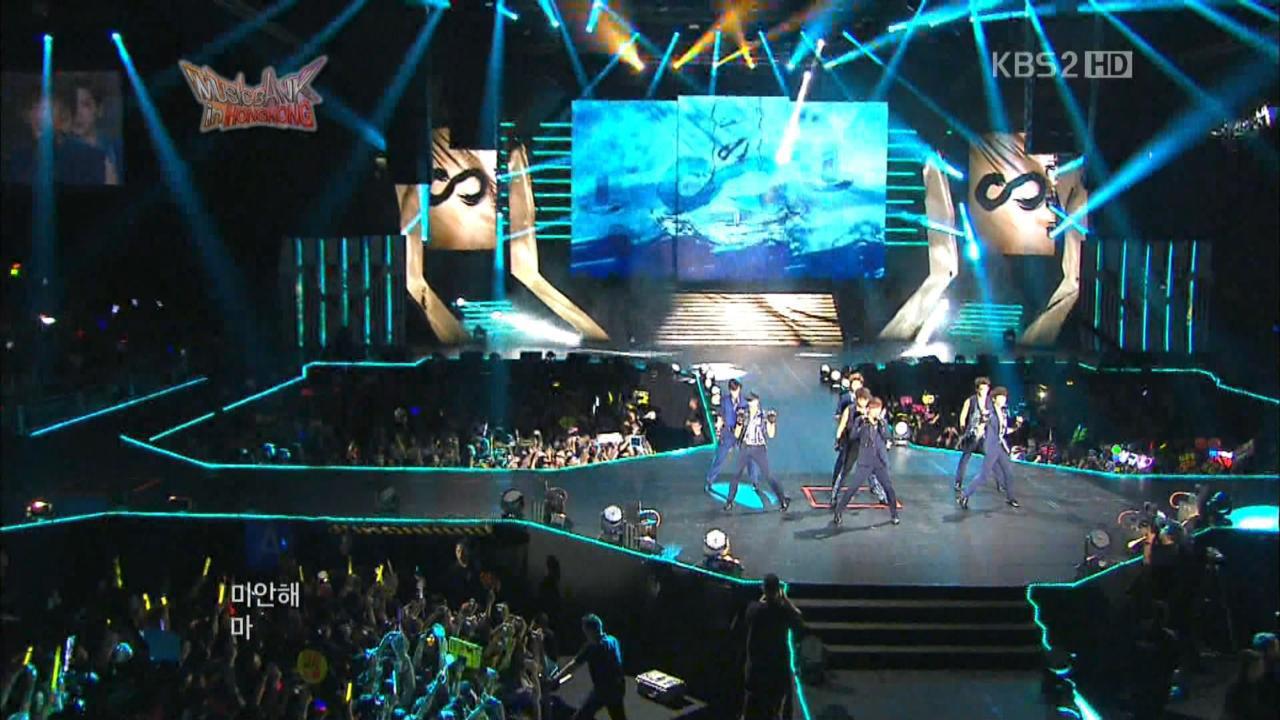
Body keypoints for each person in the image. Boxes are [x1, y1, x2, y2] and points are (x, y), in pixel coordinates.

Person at [3, 86, 107, 185]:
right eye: (33, 107)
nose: (39, 114)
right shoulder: (17, 159)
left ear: (64, 115)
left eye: (47, 107)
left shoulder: (90, 158)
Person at [741, 574, 805, 720]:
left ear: (763, 589)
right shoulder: (783, 611)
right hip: (777, 671)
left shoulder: (754, 609)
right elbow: (800, 623)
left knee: (752, 709)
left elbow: (749, 617)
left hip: (755, 669)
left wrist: (764, 599)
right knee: (773, 710)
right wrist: (785, 600)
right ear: (778, 591)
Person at [831, 397, 899, 526]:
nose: (876, 412)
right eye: (874, 409)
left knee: (888, 488)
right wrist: (862, 423)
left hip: (879, 461)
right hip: (865, 461)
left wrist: (882, 424)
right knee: (853, 488)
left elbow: (887, 436)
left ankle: (894, 514)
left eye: (878, 410)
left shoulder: (882, 423)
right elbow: (853, 436)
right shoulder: (861, 421)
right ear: (869, 410)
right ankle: (838, 512)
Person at [550, 614, 626, 720]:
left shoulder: (592, 647)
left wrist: (556, 678)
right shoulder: (613, 640)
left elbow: (573, 665)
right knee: (618, 716)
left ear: (589, 630)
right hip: (617, 687)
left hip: (602, 690)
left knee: (581, 716)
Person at [723, 393, 791, 513]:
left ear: (757, 401)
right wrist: (739, 424)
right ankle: (729, 501)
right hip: (745, 447)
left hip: (759, 448)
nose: (751, 404)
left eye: (752, 401)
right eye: (749, 401)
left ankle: (782, 499)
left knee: (768, 475)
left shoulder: (764, 416)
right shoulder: (743, 414)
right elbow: (737, 434)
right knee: (736, 474)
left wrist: (772, 423)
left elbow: (771, 434)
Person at [958, 386, 1021, 510]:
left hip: (1000, 446)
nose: (1003, 400)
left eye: (1004, 397)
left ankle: (1011, 497)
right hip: (991, 447)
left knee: (1008, 473)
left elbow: (1003, 431)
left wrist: (1017, 426)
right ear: (994, 399)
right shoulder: (990, 412)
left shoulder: (1003, 413)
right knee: (984, 476)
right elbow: (983, 423)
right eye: (1000, 397)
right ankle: (964, 495)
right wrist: (981, 423)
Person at [68, 78, 121, 185]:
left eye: (85, 105)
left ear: (99, 110)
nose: (77, 113)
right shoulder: (58, 152)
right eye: (72, 105)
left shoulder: (116, 148)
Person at [706, 379, 747, 493]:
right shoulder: (724, 401)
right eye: (732, 390)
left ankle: (755, 481)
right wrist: (718, 431)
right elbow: (720, 416)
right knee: (720, 456)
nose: (734, 393)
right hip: (728, 433)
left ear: (739, 389)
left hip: (740, 433)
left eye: (736, 390)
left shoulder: (744, 402)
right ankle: (710, 480)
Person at [954, 377, 992, 492]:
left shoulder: (990, 402)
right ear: (977, 389)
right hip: (973, 433)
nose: (984, 391)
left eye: (986, 389)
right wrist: (963, 428)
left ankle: (1001, 483)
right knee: (965, 457)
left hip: (985, 434)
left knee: (993, 457)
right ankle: (958, 482)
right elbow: (963, 415)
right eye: (981, 389)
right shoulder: (971, 400)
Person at [831, 373, 865, 489]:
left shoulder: (865, 398)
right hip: (847, 433)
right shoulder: (846, 398)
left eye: (858, 384)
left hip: (862, 434)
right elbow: (838, 414)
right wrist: (842, 427)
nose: (856, 387)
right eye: (854, 384)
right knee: (843, 459)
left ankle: (875, 486)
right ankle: (836, 482)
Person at [1222, 649, 1269, 720]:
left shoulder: (1259, 683)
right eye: (1259, 667)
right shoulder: (1235, 689)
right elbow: (1230, 714)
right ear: (1249, 668)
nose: (1263, 670)